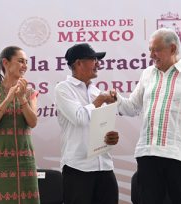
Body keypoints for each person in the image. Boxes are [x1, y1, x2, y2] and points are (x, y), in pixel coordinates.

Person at [111, 28, 181, 204]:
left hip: (180, 156)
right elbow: (133, 108)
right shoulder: (147, 73)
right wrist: (117, 99)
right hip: (148, 154)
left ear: (172, 49)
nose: (151, 55)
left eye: (156, 49)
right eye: (150, 49)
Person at [54, 43, 119, 204]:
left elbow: (100, 126)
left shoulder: (96, 91)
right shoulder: (63, 89)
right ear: (79, 63)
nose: (98, 63)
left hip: (104, 165)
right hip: (78, 168)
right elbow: (80, 118)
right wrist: (101, 99)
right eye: (93, 59)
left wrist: (111, 136)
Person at [0, 46, 40, 204]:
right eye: (21, 61)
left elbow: (33, 122)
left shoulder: (30, 92)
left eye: (26, 62)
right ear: (6, 63)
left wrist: (22, 99)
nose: (25, 66)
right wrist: (7, 99)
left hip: (25, 157)